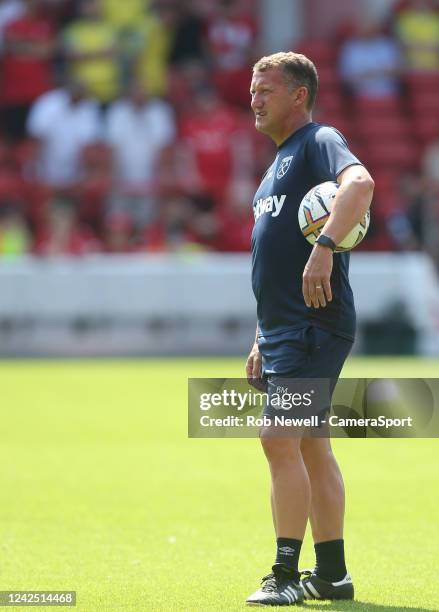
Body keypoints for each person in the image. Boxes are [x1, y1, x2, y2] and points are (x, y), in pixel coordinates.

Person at [245, 52, 374, 606]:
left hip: (314, 322)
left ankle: (285, 574)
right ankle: (334, 576)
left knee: (278, 438)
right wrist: (258, 336)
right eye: (252, 89)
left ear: (298, 95)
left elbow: (362, 184)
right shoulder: (272, 170)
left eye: (266, 89)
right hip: (282, 331)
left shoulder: (320, 140)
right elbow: (269, 264)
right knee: (312, 447)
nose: (254, 98)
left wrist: (324, 248)